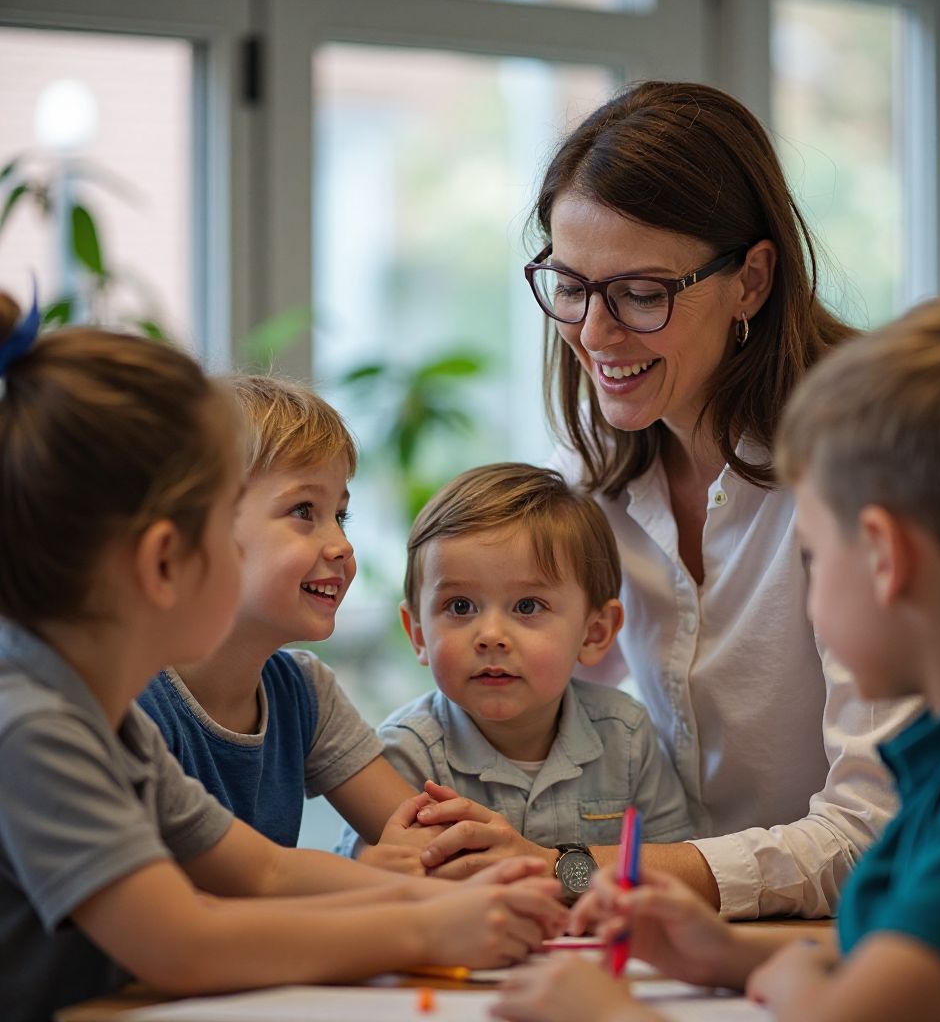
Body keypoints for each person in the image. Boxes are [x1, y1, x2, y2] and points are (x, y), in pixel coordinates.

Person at [410, 80, 918, 919]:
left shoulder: (864, 468)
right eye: (570, 285)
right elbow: (524, 700)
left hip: (855, 935)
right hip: (687, 930)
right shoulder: (589, 478)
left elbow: (877, 831)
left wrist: (570, 867)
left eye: (641, 294)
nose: (596, 335)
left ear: (752, 280)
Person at [0, 296, 566, 1022]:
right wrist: (426, 927)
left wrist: (470, 899)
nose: (340, 543)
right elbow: (186, 942)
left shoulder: (98, 715)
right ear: (165, 561)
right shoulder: (34, 724)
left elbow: (265, 871)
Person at [491, 295, 940, 1022]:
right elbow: (890, 951)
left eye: (811, 552)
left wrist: (609, 1016)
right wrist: (724, 954)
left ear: (884, 557)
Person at [335, 463, 692, 892]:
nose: (490, 637)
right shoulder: (406, 754)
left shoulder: (628, 737)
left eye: (527, 606)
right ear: (418, 634)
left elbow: (674, 872)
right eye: (461, 607)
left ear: (595, 633)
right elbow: (366, 883)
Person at [138, 375, 420, 858]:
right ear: (198, 527)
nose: (343, 546)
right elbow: (181, 916)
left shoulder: (303, 690)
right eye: (304, 510)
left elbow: (415, 837)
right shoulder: (134, 702)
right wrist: (362, 882)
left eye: (341, 515)